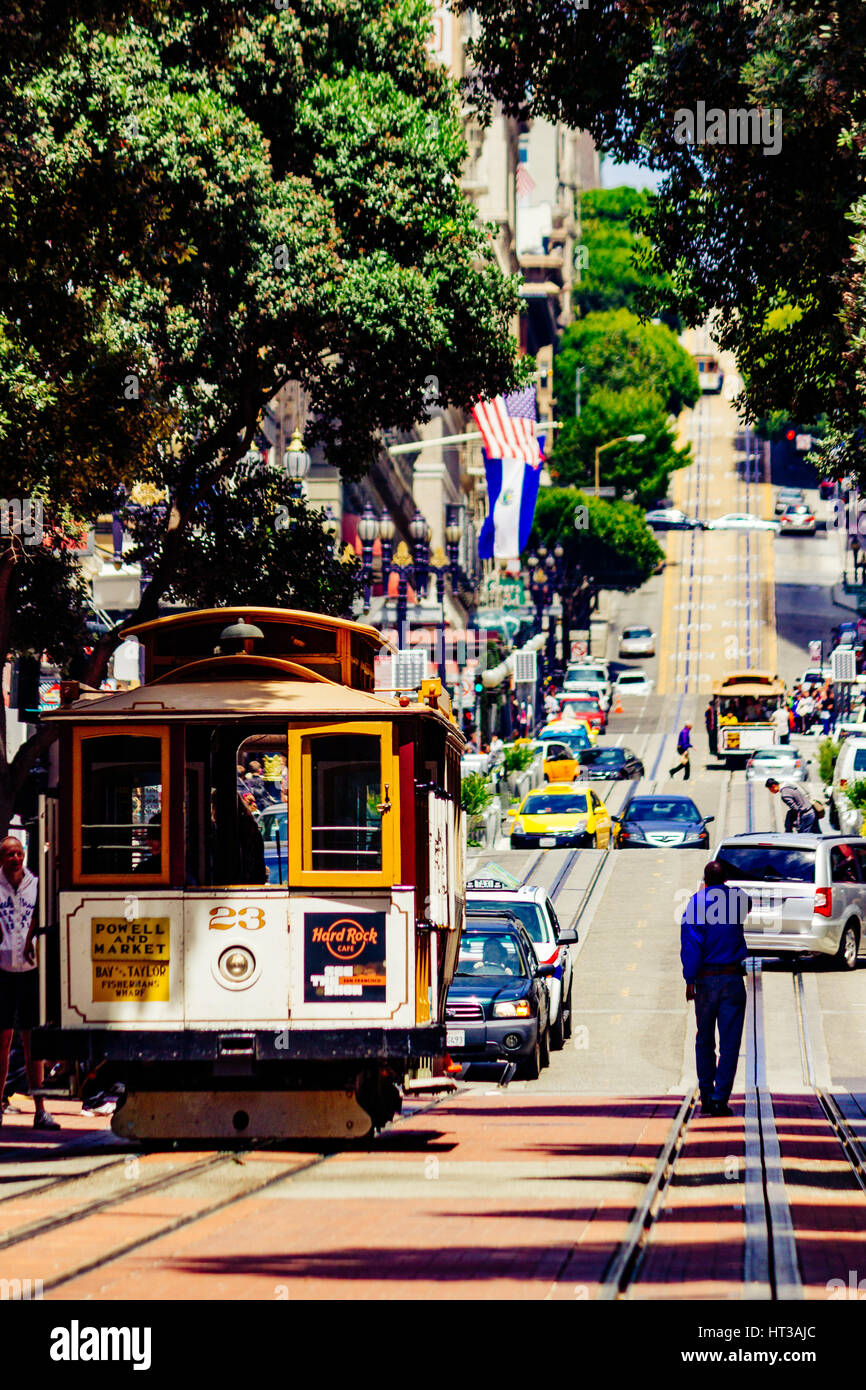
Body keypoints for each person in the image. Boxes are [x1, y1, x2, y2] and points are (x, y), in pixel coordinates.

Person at [681, 860, 750, 1116]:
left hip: (706, 981)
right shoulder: (737, 901)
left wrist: (690, 979)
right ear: (726, 880)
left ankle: (707, 1095)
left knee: (704, 1039)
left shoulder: (696, 903)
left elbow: (691, 945)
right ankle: (721, 1098)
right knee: (730, 1043)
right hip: (732, 979)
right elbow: (748, 900)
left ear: (705, 880)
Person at [0, 837, 59, 1130]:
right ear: (1, 858)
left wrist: (32, 941)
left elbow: (41, 918)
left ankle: (40, 1109)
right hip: (2, 971)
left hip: (30, 971)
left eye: (19, 853)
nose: (15, 858)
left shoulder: (36, 886)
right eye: (9, 854)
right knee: (3, 1041)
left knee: (32, 1042)